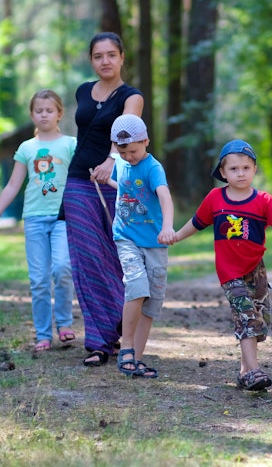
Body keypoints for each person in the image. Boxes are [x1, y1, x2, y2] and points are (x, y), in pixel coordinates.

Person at [164, 140, 272, 390]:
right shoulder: (215, 198)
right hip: (229, 273)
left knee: (259, 320)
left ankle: (245, 371)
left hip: (256, 270)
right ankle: (254, 371)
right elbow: (196, 222)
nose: (240, 173)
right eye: (233, 169)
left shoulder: (263, 201)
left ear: (254, 169)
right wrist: (176, 236)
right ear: (223, 173)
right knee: (247, 317)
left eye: (246, 167)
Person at [61, 31, 144, 367]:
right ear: (91, 60)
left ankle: (118, 326)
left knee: (113, 255)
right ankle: (98, 341)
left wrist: (112, 158)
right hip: (79, 180)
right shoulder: (83, 90)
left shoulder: (131, 96)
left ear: (122, 57)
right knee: (85, 257)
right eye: (98, 56)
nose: (105, 61)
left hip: (115, 182)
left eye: (111, 55)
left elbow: (129, 129)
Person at [0, 90, 78, 354]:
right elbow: (13, 184)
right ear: (32, 115)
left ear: (60, 113)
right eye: (39, 111)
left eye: (49, 110)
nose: (44, 115)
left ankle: (64, 324)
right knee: (38, 280)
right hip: (35, 219)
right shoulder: (26, 148)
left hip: (63, 217)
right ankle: (43, 334)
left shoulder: (71, 144)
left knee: (62, 269)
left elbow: (81, 180)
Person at [106, 114, 175, 378]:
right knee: (135, 284)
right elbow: (125, 189)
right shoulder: (121, 163)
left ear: (146, 141)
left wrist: (167, 227)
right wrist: (106, 179)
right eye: (123, 152)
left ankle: (136, 356)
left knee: (151, 300)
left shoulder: (153, 167)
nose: (129, 156)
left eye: (133, 151)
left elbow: (165, 197)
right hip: (126, 237)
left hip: (155, 242)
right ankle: (125, 348)